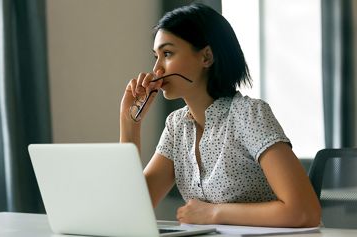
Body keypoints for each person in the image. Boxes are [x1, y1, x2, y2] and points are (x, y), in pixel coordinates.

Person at [119, 3, 321, 227]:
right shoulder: (177, 126)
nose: (157, 69)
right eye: (156, 56)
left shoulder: (249, 115)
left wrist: (214, 213)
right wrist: (130, 123)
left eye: (167, 53)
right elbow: (132, 208)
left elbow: (304, 212)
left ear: (206, 57)